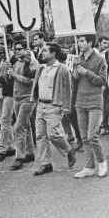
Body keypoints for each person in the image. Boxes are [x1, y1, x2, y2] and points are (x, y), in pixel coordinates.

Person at [31, 43, 77, 176]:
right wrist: (33, 98)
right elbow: (36, 84)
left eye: (45, 51)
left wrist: (66, 106)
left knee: (53, 134)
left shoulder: (62, 69)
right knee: (40, 135)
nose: (42, 53)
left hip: (54, 105)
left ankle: (69, 150)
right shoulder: (41, 68)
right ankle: (46, 164)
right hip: (40, 105)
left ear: (53, 53)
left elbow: (68, 88)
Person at [73, 34, 109, 179]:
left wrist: (86, 72)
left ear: (90, 42)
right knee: (83, 137)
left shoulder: (100, 59)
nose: (80, 44)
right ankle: (89, 166)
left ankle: (102, 162)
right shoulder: (77, 58)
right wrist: (75, 70)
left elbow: (102, 81)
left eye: (82, 41)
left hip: (95, 101)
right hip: (80, 101)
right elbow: (75, 79)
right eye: (79, 41)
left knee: (92, 136)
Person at [0, 46, 17, 163]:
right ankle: (10, 146)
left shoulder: (14, 61)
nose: (0, 53)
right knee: (3, 121)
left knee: (5, 120)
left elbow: (10, 80)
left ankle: (1, 149)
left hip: (8, 93)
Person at [98, 35, 109, 136]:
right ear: (99, 43)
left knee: (105, 105)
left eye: (107, 43)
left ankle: (105, 125)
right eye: (104, 43)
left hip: (106, 83)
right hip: (95, 82)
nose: (106, 45)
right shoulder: (94, 53)